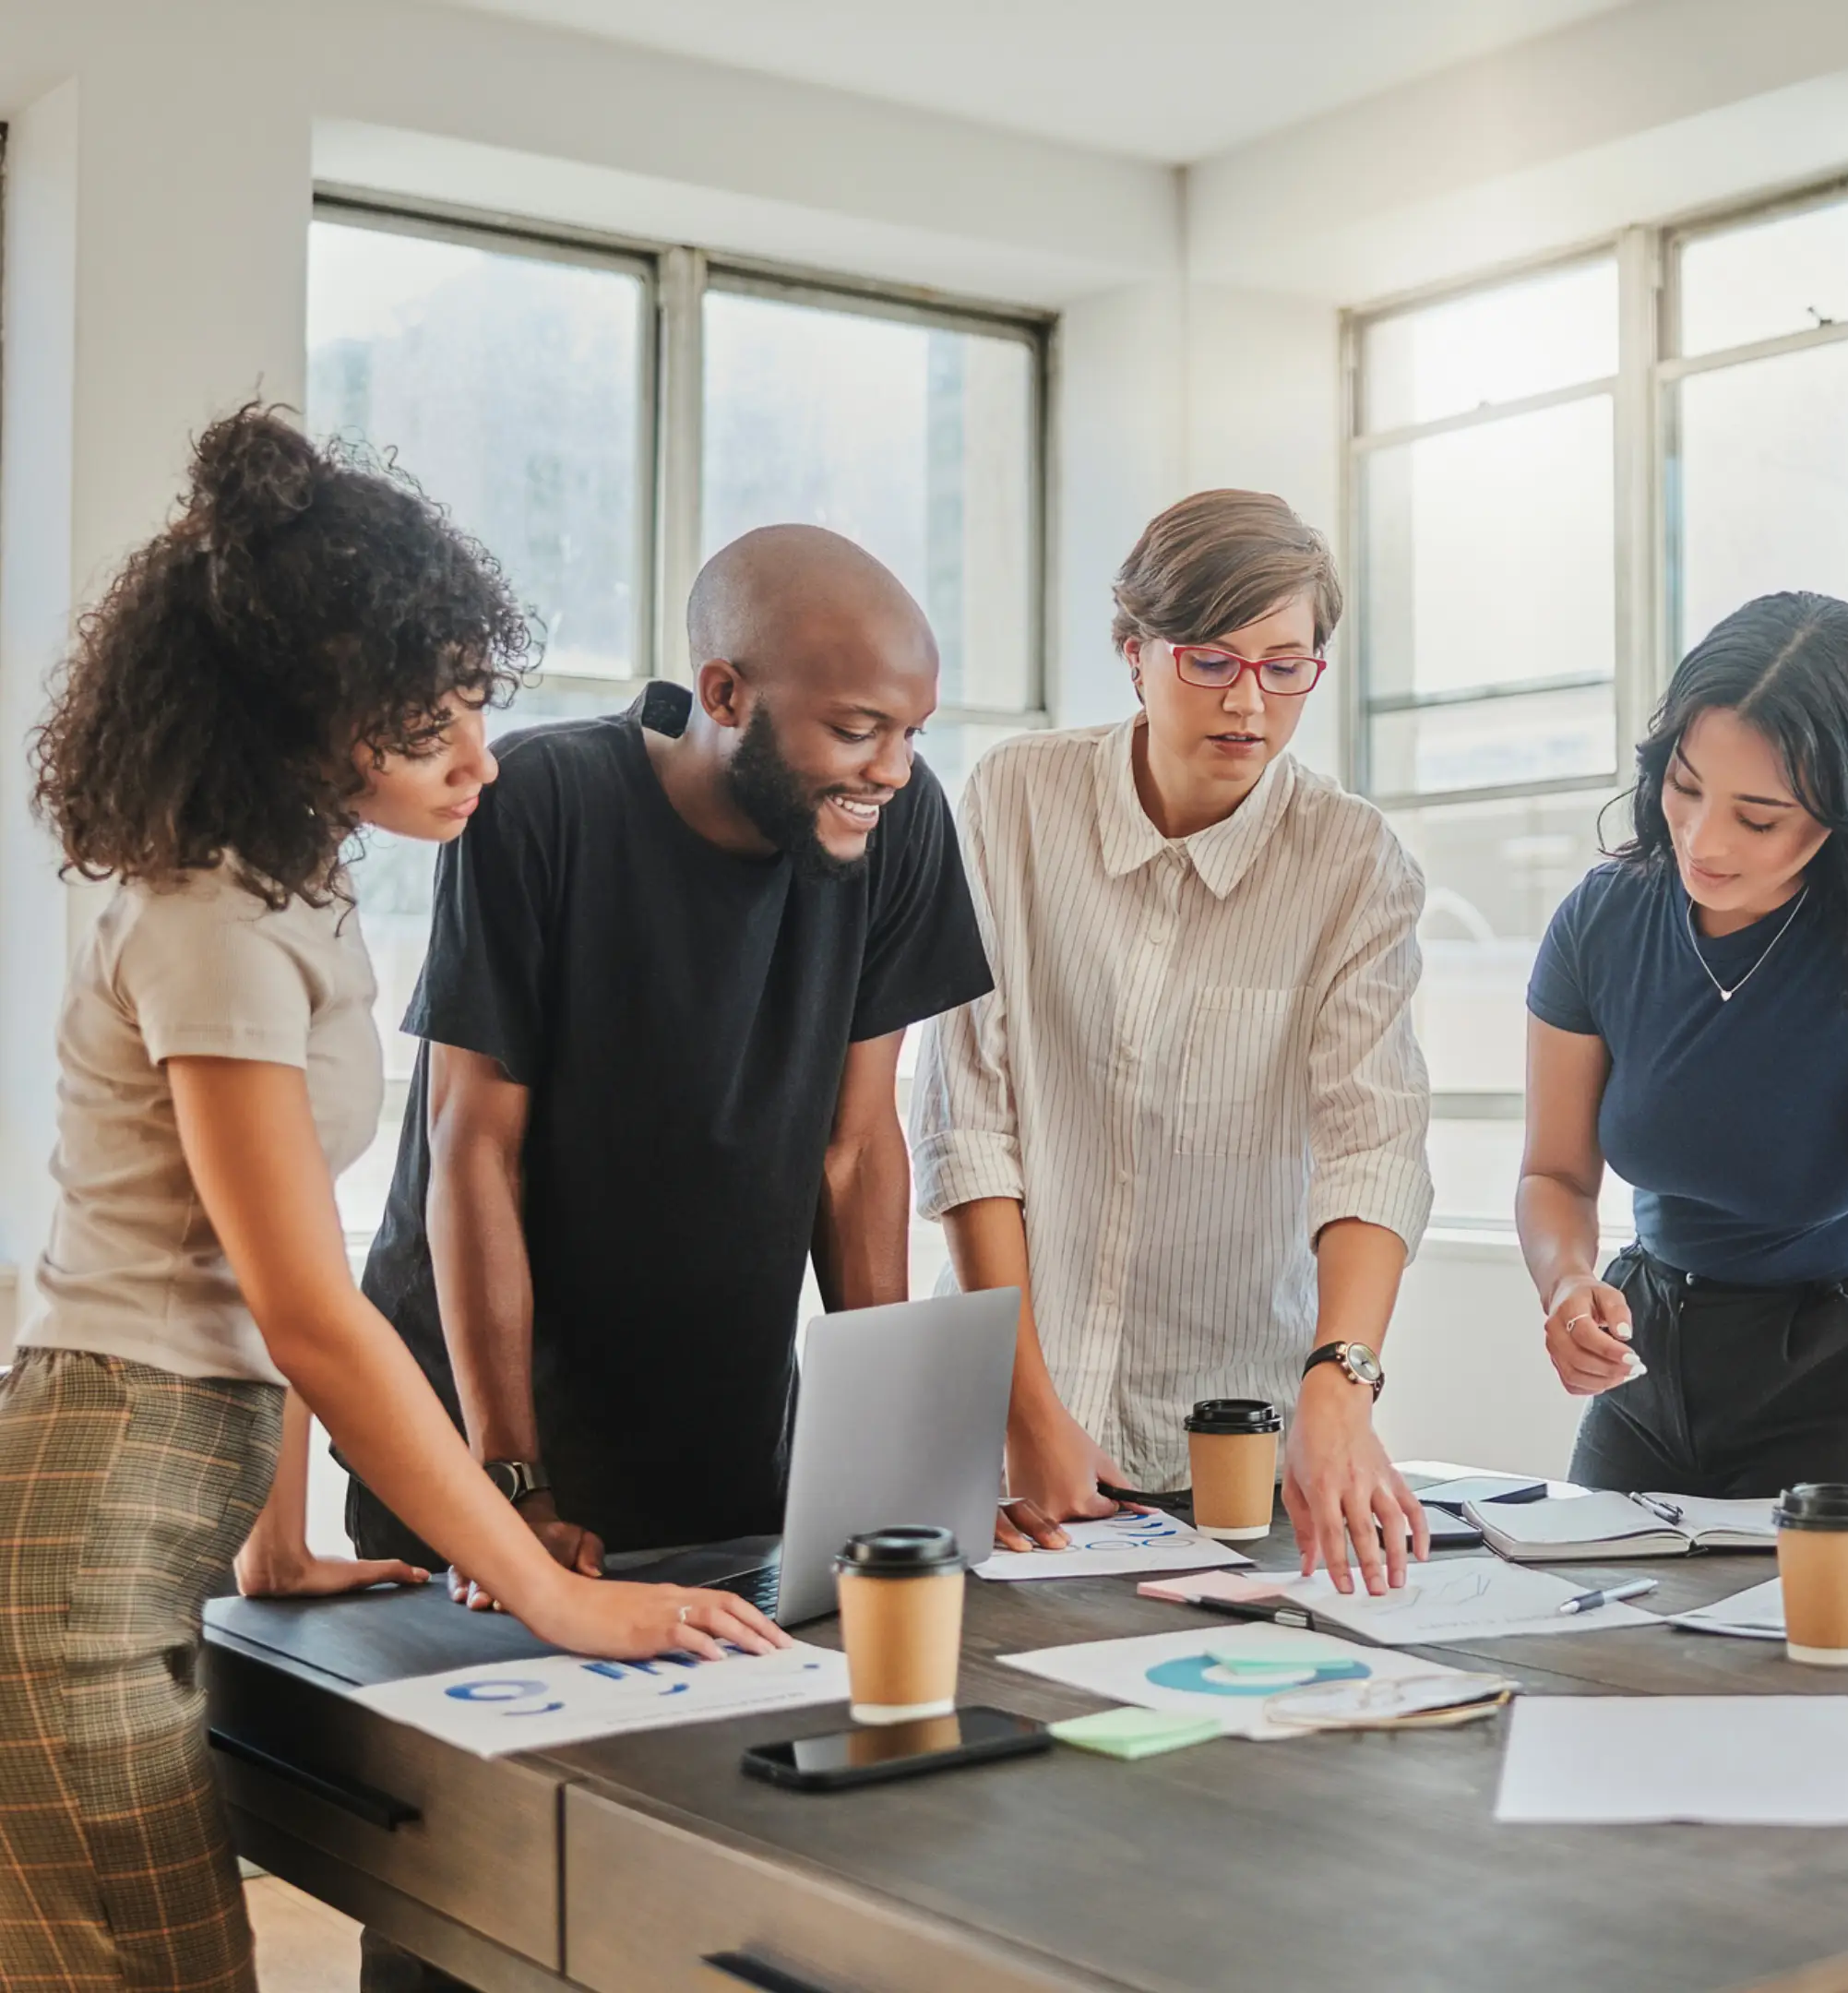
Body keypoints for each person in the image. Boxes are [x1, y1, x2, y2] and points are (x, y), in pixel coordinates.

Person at [0, 408, 781, 1993]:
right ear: (303, 726)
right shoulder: (212, 918)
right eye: (431, 734)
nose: (480, 761)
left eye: (476, 713)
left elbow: (250, 1269)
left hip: (160, 1497)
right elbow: (307, 1310)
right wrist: (562, 1594)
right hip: (89, 1528)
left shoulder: (279, 896)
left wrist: (278, 1545)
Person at [346, 523, 1006, 1588]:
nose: (890, 769)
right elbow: (473, 1151)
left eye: (912, 734)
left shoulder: (901, 822)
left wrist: (893, 1472)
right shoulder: (540, 802)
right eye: (855, 730)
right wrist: (511, 1485)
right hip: (478, 1449)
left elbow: (856, 1148)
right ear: (727, 694)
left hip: (723, 1455)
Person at [912, 489, 1435, 1598]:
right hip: (1013, 1439)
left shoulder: (1352, 863)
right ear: (1134, 652)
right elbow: (972, 1128)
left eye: (1286, 666)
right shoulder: (1014, 804)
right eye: (1211, 661)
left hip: (1231, 1447)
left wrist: (1340, 1385)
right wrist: (1029, 1411)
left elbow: (1371, 1148)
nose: (1250, 703)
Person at [1519, 592, 1848, 1572]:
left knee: (1818, 1689)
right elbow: (1556, 1175)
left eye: (1760, 815)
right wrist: (1566, 1285)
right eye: (1684, 789)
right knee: (1597, 1668)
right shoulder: (1602, 919)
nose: (1703, 841)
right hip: (1651, 1371)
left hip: (1846, 1374)